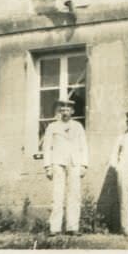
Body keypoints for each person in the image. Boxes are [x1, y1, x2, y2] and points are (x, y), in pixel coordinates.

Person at [41, 99, 89, 236]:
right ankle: (54, 228)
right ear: (59, 112)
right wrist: (47, 166)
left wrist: (84, 165)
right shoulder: (52, 127)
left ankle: (72, 227)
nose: (65, 112)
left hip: (74, 163)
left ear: (72, 111)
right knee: (57, 195)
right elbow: (47, 147)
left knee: (74, 194)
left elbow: (84, 146)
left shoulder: (78, 127)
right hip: (58, 163)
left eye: (68, 110)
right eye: (62, 110)